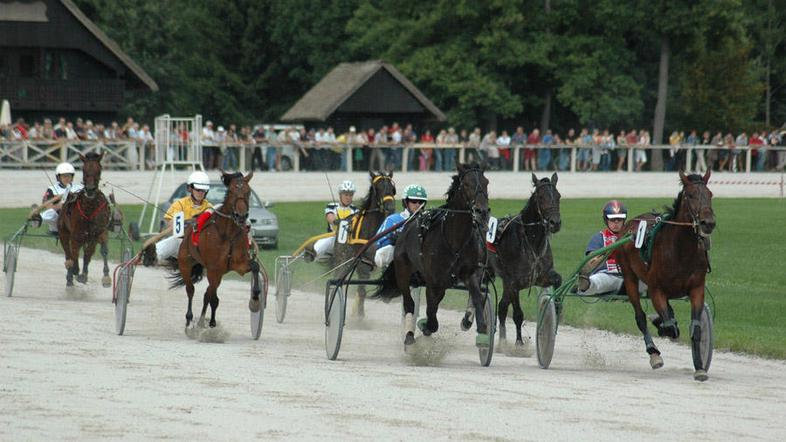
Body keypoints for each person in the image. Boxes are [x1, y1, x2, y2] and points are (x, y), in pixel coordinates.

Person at [143, 171, 213, 266]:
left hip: (200, 245)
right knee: (175, 240)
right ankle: (154, 256)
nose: (201, 193)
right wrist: (176, 223)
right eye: (198, 189)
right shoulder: (179, 204)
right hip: (181, 243)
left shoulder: (209, 207)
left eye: (203, 190)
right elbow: (170, 223)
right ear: (190, 188)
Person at [577, 200, 628, 296]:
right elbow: (591, 260)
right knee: (598, 282)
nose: (616, 223)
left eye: (619, 219)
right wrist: (609, 251)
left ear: (624, 220)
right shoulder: (599, 237)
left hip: (629, 276)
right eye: (613, 220)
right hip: (607, 275)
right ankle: (586, 284)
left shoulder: (631, 236)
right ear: (606, 219)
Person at [373, 184, 427, 269]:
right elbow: (378, 243)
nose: (417, 205)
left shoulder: (426, 222)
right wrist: (393, 240)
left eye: (420, 202)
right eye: (414, 201)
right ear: (405, 202)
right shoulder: (393, 220)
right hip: (395, 267)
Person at [304, 180, 358, 262]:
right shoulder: (332, 206)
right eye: (346, 194)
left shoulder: (355, 210)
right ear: (340, 195)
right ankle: (312, 253)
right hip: (333, 238)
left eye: (350, 195)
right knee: (327, 240)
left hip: (348, 241)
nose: (348, 197)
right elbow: (330, 217)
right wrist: (335, 221)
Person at [36, 162, 84, 235]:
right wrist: (59, 206)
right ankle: (37, 220)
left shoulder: (79, 188)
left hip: (76, 218)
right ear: (59, 177)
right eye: (64, 176)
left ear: (72, 177)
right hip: (57, 220)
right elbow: (47, 206)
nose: (67, 178)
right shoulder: (52, 189)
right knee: (50, 213)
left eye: (69, 176)